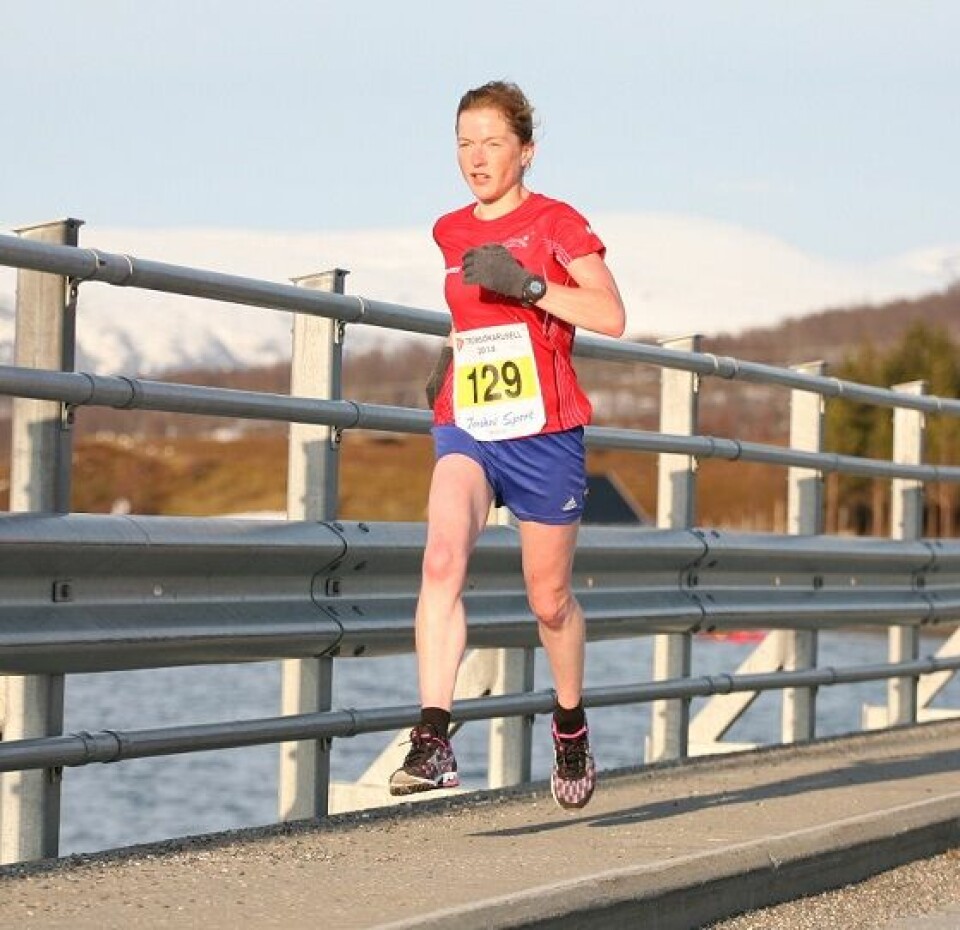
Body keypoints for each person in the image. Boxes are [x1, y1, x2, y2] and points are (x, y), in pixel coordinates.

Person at [389, 80, 626, 811]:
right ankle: (433, 738)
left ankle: (569, 721)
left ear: (525, 150)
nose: (476, 157)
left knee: (548, 600)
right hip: (470, 423)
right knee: (441, 557)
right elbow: (472, 317)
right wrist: (449, 359)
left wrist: (528, 284)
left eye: (492, 142)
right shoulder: (448, 229)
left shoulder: (558, 223)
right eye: (464, 142)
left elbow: (610, 314)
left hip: (546, 432)